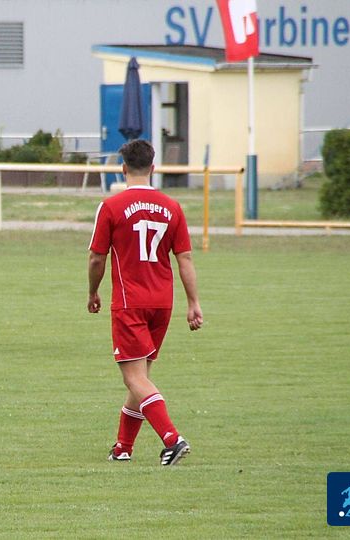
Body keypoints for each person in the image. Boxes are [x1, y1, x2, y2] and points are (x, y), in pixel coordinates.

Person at [86, 139, 202, 466]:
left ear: (123, 168)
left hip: (130, 302)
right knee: (141, 378)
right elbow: (185, 258)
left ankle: (172, 439)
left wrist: (93, 292)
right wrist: (193, 302)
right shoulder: (172, 207)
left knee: (134, 378)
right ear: (153, 168)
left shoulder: (111, 206)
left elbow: (97, 258)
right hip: (162, 303)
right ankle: (123, 447)